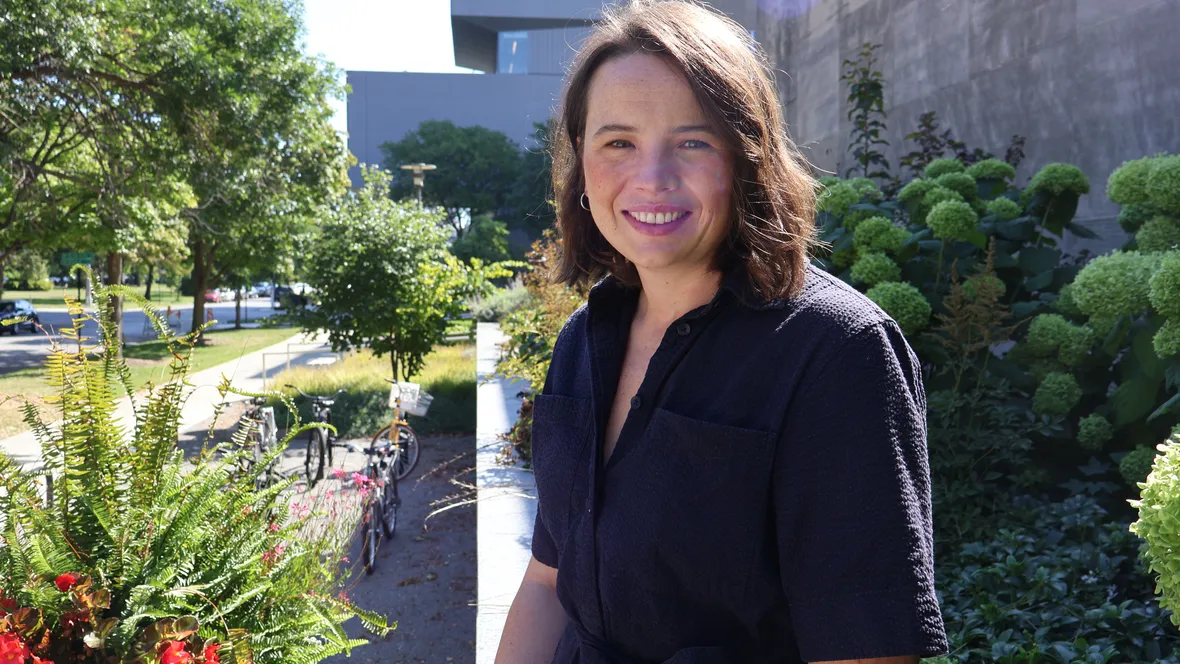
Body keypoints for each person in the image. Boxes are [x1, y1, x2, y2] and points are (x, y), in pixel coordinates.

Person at [495, 1, 948, 662]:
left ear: (747, 158)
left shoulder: (837, 354)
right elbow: (547, 582)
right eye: (618, 142)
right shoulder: (582, 341)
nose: (652, 178)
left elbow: (864, 650)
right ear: (582, 165)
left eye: (693, 142)